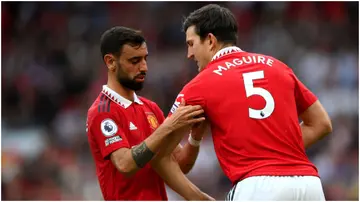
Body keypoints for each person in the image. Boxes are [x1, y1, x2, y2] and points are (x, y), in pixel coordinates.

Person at [169, 4, 333, 201]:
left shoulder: (198, 86)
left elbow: (169, 154)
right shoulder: (278, 66)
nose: (189, 54)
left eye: (191, 43)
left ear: (210, 40)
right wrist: (276, 151)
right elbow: (321, 123)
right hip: (308, 184)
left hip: (257, 187)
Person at [86, 26, 214, 201]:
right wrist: (168, 127)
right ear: (110, 62)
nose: (144, 67)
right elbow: (125, 164)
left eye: (145, 59)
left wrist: (195, 138)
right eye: (134, 61)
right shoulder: (102, 112)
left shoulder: (150, 108)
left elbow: (180, 164)